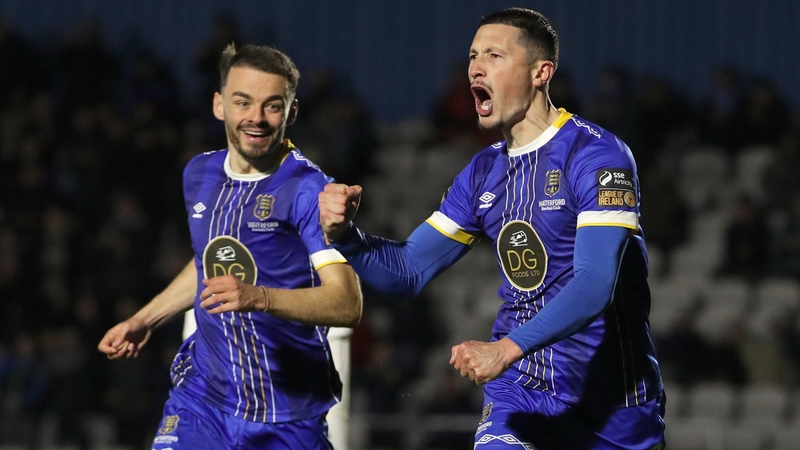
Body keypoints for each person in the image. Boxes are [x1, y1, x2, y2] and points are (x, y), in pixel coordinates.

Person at [319, 7, 665, 449]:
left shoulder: (597, 155)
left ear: (541, 72)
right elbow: (408, 270)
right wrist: (346, 236)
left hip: (615, 407)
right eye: (472, 56)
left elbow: (595, 283)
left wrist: (504, 349)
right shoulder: (482, 173)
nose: (476, 68)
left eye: (494, 56)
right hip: (520, 394)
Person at [98, 43, 363, 450]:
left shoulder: (309, 190)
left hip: (286, 412)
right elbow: (208, 263)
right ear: (219, 105)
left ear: (291, 112)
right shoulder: (199, 173)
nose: (256, 117)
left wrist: (258, 297)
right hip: (203, 399)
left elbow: (347, 303)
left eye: (272, 106)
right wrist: (146, 319)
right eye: (243, 102)